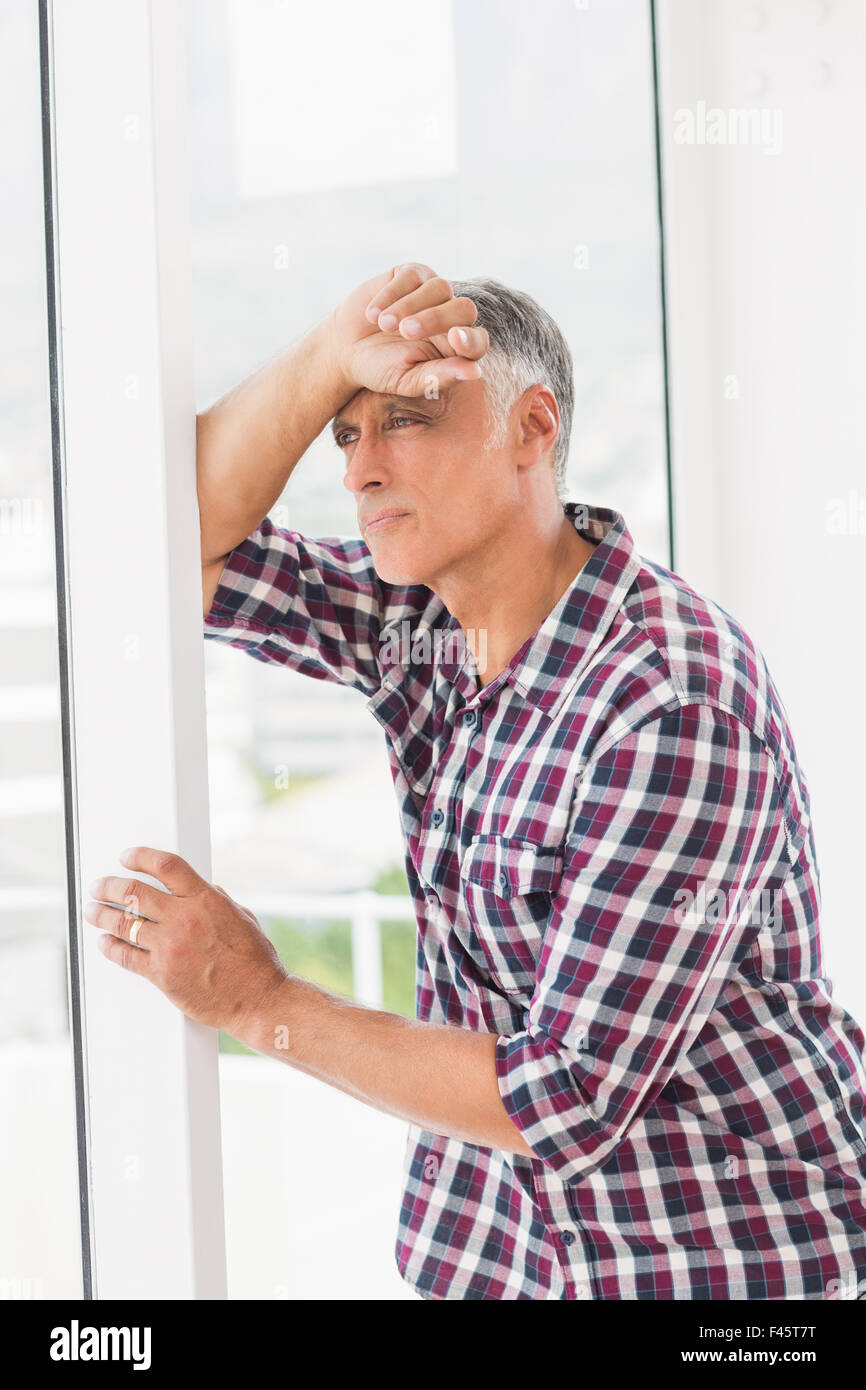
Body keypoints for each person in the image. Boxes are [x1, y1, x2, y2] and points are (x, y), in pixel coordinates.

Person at [87, 263, 866, 1301]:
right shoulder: (419, 628)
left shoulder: (669, 703)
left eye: (406, 418)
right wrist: (328, 352)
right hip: (495, 1262)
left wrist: (258, 1000)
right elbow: (164, 538)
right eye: (345, 433)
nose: (360, 469)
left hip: (719, 1270)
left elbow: (567, 1093)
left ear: (531, 428)